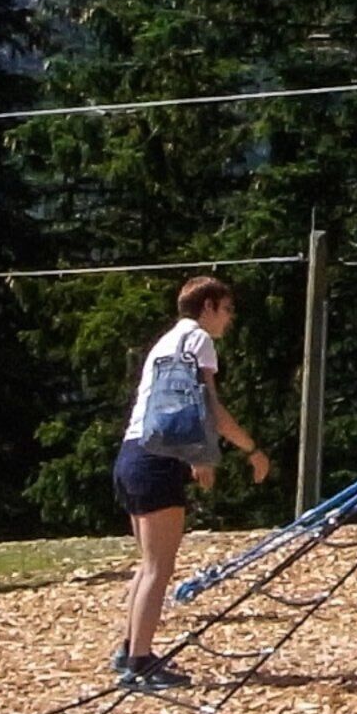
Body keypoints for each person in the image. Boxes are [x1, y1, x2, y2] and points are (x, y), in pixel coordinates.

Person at [112, 276, 270, 689]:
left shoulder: (165, 342)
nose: (229, 320)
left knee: (147, 566)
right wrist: (251, 449)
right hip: (158, 461)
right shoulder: (198, 340)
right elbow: (209, 407)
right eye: (228, 310)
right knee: (159, 569)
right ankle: (140, 664)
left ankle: (130, 647)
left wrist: (198, 455)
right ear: (210, 306)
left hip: (133, 456)